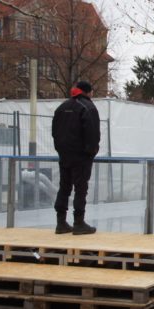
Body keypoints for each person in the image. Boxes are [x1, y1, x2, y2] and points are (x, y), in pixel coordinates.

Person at [52, 81, 100, 235]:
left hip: (64, 154)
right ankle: (79, 222)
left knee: (64, 187)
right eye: (92, 91)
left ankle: (61, 223)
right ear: (88, 92)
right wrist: (91, 151)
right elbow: (93, 133)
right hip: (81, 156)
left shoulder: (62, 107)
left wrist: (60, 149)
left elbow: (54, 131)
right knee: (81, 188)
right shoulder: (88, 107)